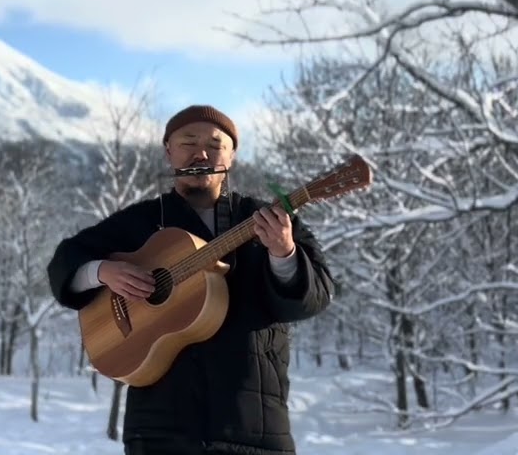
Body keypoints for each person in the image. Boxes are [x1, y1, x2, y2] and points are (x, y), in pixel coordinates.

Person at [46, 104, 335, 455]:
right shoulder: (140, 221)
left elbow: (316, 296)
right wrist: (103, 271)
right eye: (188, 142)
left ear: (232, 156)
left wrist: (284, 253)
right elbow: (65, 262)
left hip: (255, 428)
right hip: (159, 430)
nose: (202, 153)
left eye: (215, 145)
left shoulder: (271, 219)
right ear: (169, 151)